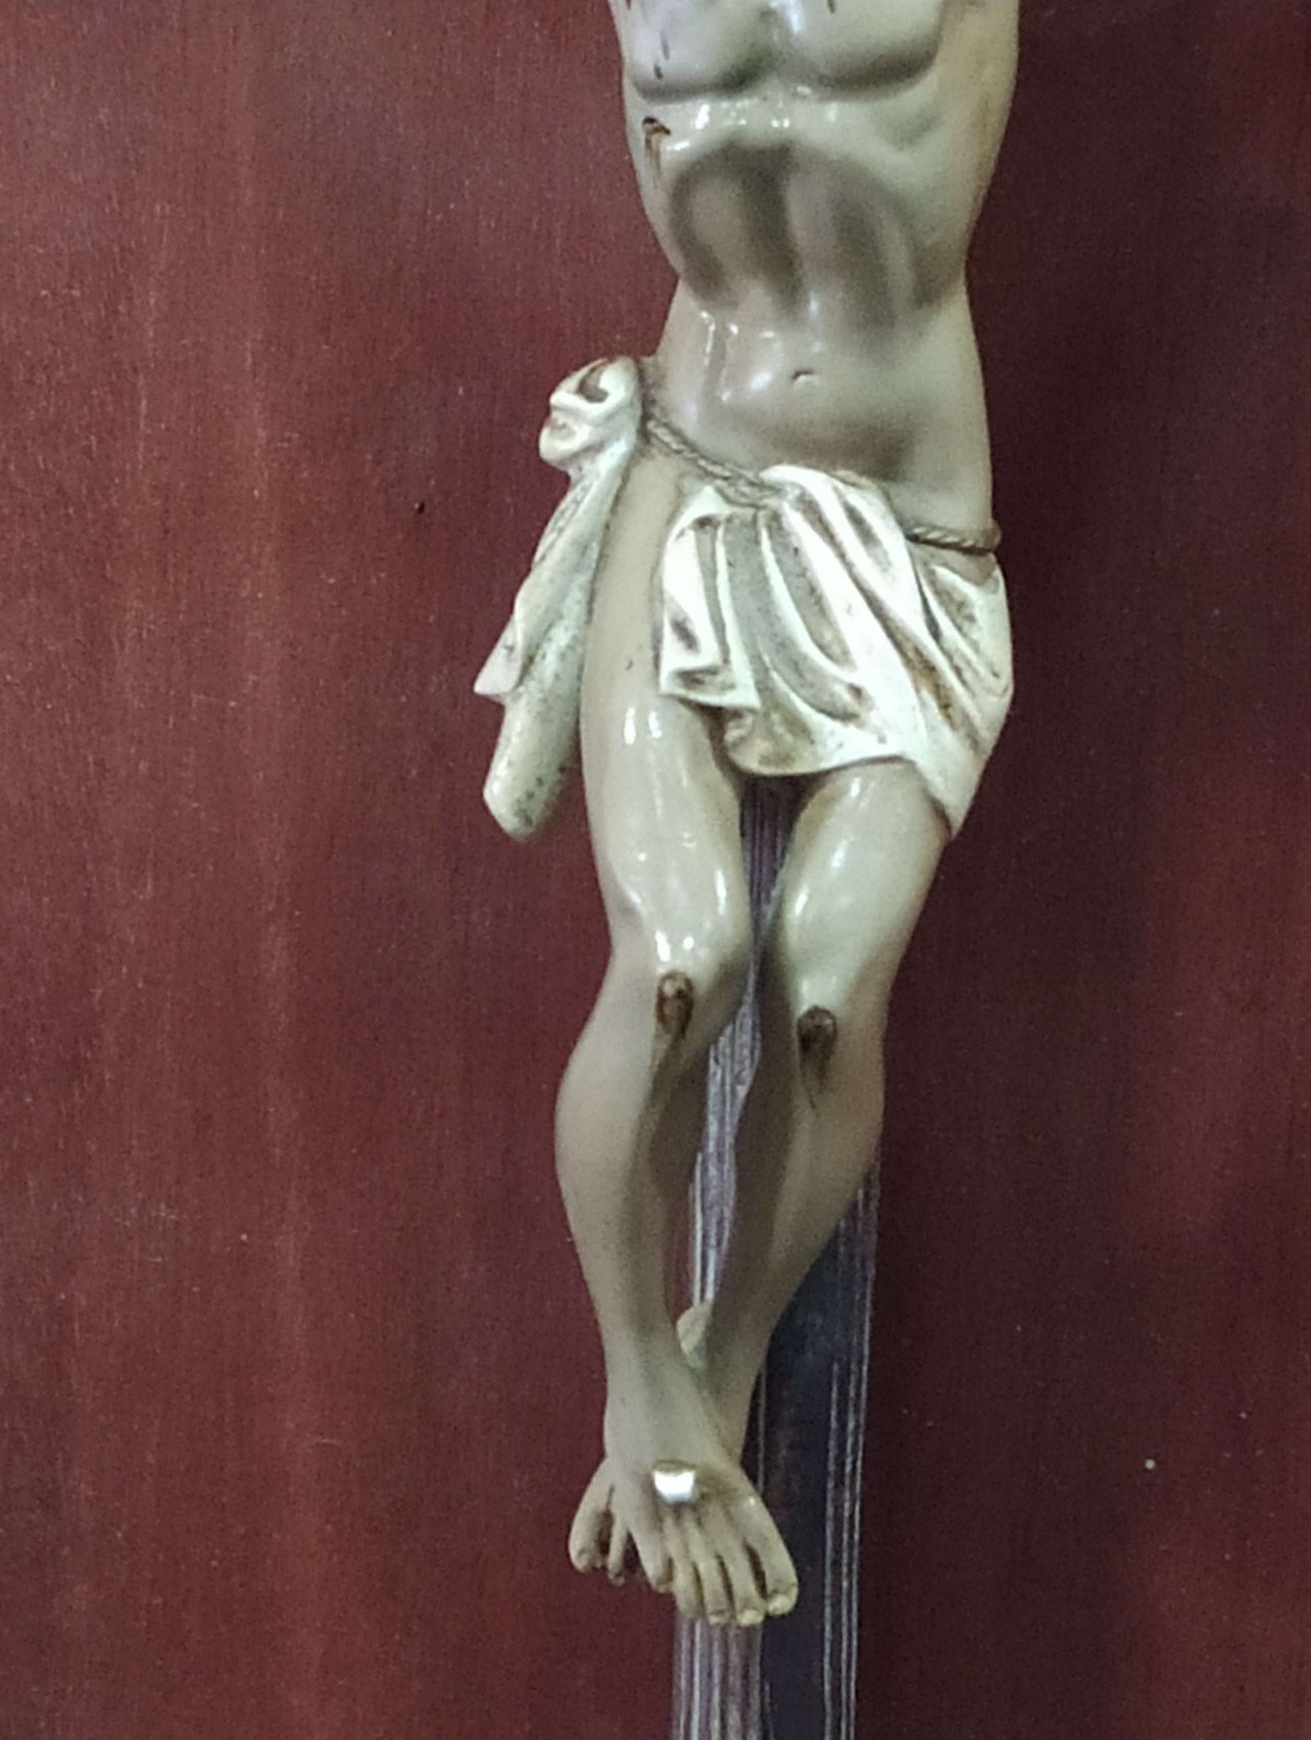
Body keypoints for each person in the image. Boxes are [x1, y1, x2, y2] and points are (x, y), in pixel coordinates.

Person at [476, 0, 1018, 1629]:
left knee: (828, 999)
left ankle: (708, 1374)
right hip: (696, 466)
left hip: (908, 513)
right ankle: (641, 1389)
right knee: (679, 961)